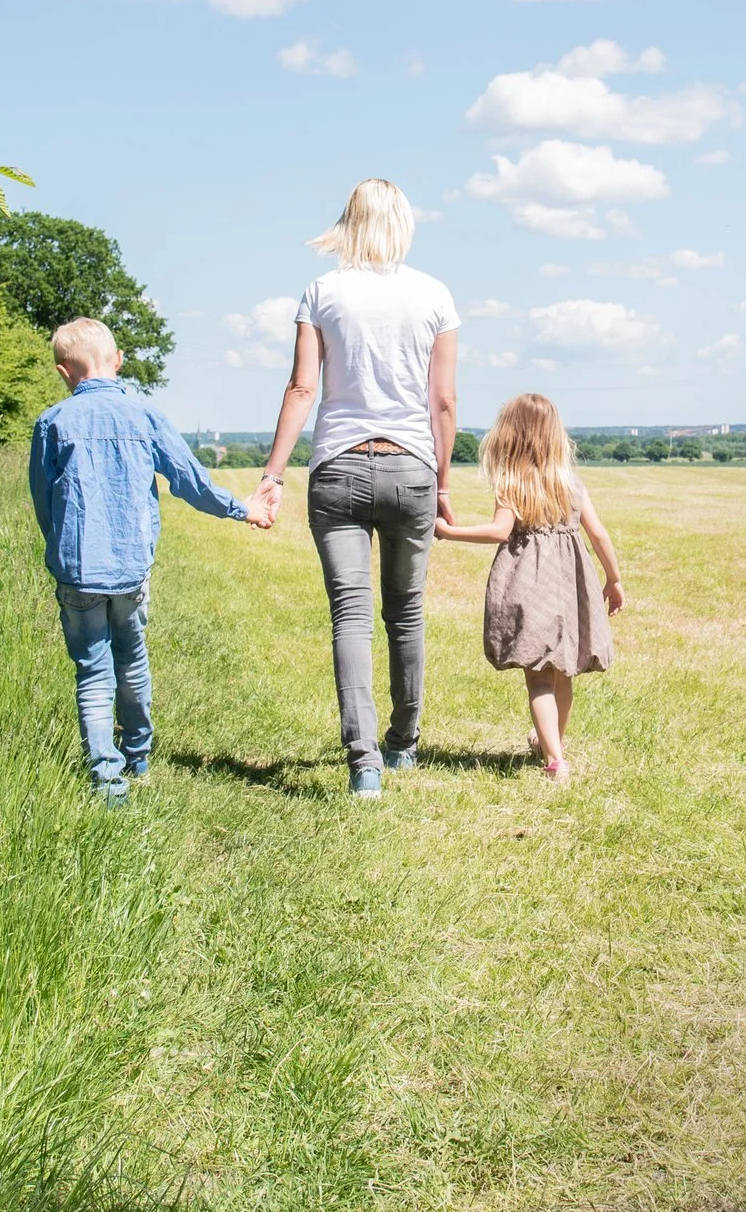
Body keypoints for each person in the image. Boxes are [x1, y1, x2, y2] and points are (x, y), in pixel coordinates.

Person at [248, 179, 459, 798]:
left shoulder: (323, 291)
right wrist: (442, 482)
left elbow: (301, 390)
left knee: (351, 614)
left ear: (349, 222)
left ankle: (362, 761)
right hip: (411, 467)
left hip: (336, 468)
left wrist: (272, 475)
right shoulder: (434, 295)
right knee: (407, 612)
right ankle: (404, 740)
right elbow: (443, 401)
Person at [29, 316, 262, 805]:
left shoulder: (51, 423)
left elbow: (43, 502)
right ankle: (138, 757)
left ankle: (107, 780)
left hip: (76, 570)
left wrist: (60, 551)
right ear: (117, 362)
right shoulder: (145, 417)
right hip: (130, 567)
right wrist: (243, 509)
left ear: (64, 372)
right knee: (131, 660)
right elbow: (190, 481)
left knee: (92, 671)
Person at [433, 393, 623, 783]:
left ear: (510, 436)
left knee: (539, 678)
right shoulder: (570, 484)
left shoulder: (513, 484)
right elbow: (599, 535)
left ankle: (554, 760)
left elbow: (499, 531)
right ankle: (552, 745)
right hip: (571, 586)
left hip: (529, 587)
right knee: (564, 672)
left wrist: (450, 531)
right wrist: (614, 579)